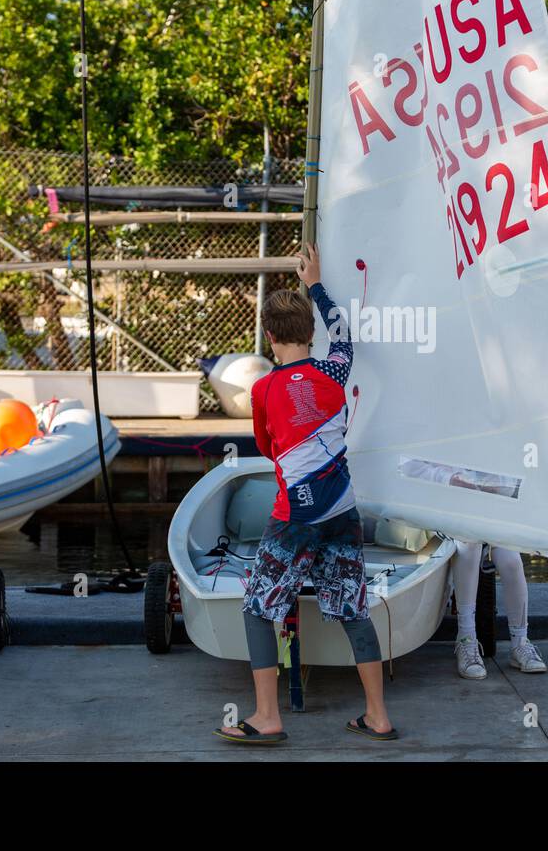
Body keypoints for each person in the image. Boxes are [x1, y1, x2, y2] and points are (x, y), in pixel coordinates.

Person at [215, 244, 396, 744]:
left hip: (296, 516)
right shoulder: (335, 373)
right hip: (342, 511)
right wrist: (315, 283)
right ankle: (378, 716)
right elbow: (343, 335)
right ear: (310, 333)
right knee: (352, 610)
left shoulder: (264, 390)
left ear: (270, 337)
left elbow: (268, 447)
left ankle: (268, 718)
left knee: (257, 608)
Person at [451, 541, 545, 679]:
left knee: (510, 559)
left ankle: (520, 641)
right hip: (453, 523)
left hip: (487, 522)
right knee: (469, 547)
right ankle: (465, 639)